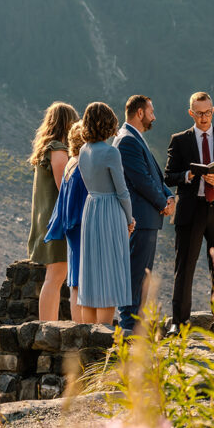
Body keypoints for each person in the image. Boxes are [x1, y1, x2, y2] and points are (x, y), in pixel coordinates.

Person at [163, 92, 214, 335]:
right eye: (199, 113)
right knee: (184, 268)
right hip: (191, 209)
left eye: (207, 112)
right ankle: (179, 322)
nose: (204, 117)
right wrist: (188, 175)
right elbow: (168, 175)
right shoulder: (179, 140)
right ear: (191, 113)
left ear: (213, 111)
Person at [112, 95, 175, 332]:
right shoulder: (127, 140)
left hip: (147, 218)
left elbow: (155, 175)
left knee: (142, 273)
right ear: (139, 112)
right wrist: (163, 204)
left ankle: (136, 324)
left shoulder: (134, 138)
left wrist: (169, 195)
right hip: (140, 218)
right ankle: (128, 325)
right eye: (151, 111)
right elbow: (141, 180)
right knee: (135, 272)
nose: (154, 116)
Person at [77, 102, 135, 325]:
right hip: (110, 211)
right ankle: (102, 344)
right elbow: (122, 191)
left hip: (91, 209)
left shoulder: (83, 150)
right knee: (109, 280)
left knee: (91, 279)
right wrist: (129, 219)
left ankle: (87, 338)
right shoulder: (111, 152)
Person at [27, 101, 79, 321]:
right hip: (57, 222)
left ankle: (47, 324)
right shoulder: (58, 150)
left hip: (45, 219)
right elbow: (65, 187)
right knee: (56, 275)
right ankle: (47, 326)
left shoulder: (44, 150)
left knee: (55, 275)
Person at [44, 121, 87, 322]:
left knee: (75, 282)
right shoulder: (81, 165)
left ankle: (80, 326)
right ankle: (82, 327)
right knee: (80, 282)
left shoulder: (71, 163)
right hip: (81, 226)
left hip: (71, 227)